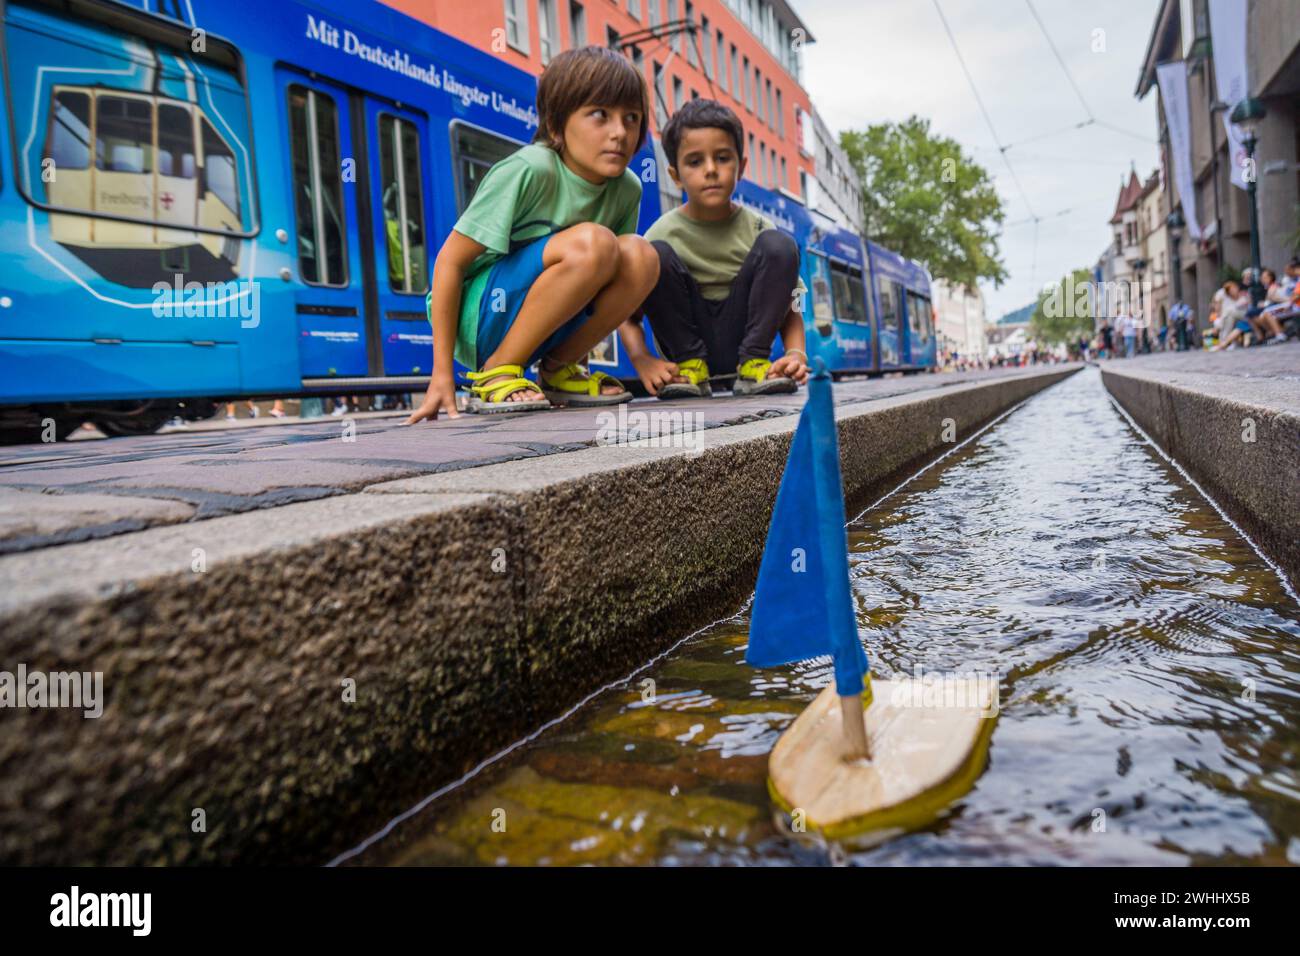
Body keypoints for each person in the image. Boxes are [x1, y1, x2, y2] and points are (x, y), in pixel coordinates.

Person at [407, 46, 658, 420]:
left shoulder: (627, 188)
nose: (619, 133)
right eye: (600, 115)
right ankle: (497, 369)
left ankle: (559, 369)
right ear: (557, 126)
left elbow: (601, 282)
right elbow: (449, 262)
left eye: (632, 118)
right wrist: (441, 373)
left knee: (640, 256)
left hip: (549, 323)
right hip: (483, 317)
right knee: (595, 242)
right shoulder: (530, 170)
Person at [626, 98, 809, 398]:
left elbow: (793, 302)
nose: (711, 170)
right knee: (653, 254)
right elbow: (627, 315)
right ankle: (692, 370)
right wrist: (642, 360)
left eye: (723, 158)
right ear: (675, 176)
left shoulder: (761, 229)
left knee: (781, 245)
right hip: (686, 349)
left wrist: (796, 354)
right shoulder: (660, 233)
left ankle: (753, 366)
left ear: (741, 167)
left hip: (747, 343)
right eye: (695, 161)